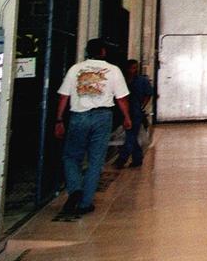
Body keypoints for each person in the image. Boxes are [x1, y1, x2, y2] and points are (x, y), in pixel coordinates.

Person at [54, 38, 131, 215]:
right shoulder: (113, 70)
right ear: (103, 52)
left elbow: (63, 97)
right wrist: (127, 117)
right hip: (103, 117)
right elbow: (121, 98)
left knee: (71, 157)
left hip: (78, 117)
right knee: (96, 160)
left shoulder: (75, 69)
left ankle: (75, 190)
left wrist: (59, 120)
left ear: (87, 51)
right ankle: (85, 203)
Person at [113, 59, 153, 168]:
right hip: (123, 111)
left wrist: (142, 106)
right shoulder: (122, 81)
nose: (133, 70)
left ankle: (122, 158)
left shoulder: (142, 81)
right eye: (132, 68)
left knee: (131, 135)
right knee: (132, 136)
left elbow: (148, 94)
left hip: (135, 111)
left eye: (135, 68)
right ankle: (137, 158)